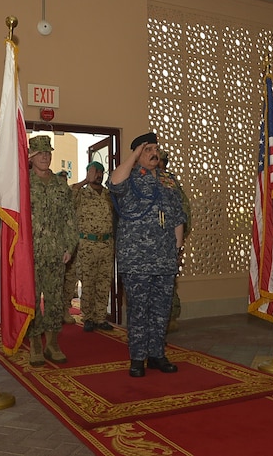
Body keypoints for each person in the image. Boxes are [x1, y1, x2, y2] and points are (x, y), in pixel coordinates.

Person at [108, 132, 186, 377]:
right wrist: (134, 152)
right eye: (147, 149)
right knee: (139, 310)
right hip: (137, 257)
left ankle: (156, 355)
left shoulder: (168, 179)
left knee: (161, 309)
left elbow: (177, 213)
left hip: (164, 256)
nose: (154, 153)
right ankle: (137, 358)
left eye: (155, 148)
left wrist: (177, 244)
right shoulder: (129, 178)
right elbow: (114, 183)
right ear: (137, 154)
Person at [27, 135, 78, 366]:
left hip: (57, 252)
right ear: (31, 156)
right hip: (31, 253)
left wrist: (70, 246)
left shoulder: (61, 184)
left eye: (48, 153)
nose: (45, 157)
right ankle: (36, 342)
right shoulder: (23, 182)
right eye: (39, 153)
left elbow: (69, 218)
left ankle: (53, 342)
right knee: (33, 300)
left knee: (55, 300)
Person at [70, 161, 115, 332]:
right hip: (87, 244)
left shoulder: (109, 195)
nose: (98, 174)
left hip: (106, 244)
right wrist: (84, 181)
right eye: (94, 171)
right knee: (88, 282)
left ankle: (100, 317)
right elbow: (67, 194)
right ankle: (88, 317)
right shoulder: (81, 193)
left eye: (100, 172)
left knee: (104, 282)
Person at [158, 150, 192, 333]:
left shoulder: (170, 182)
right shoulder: (146, 178)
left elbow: (183, 211)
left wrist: (179, 242)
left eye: (162, 161)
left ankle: (169, 317)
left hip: (170, 241)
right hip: (152, 243)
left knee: (168, 283)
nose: (160, 164)